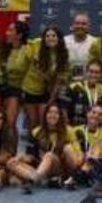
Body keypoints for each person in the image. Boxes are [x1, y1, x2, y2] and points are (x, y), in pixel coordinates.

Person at [20, 25, 69, 158]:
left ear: (59, 38)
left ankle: (44, 153)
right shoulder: (35, 45)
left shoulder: (63, 54)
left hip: (45, 91)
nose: (50, 38)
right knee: (32, 122)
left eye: (53, 36)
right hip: (28, 89)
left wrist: (51, 100)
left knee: (43, 123)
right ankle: (31, 152)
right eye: (47, 36)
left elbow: (58, 81)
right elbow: (23, 62)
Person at [7, 104, 75, 194]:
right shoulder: (36, 132)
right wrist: (19, 158)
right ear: (45, 115)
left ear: (60, 116)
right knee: (11, 163)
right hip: (40, 167)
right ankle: (39, 179)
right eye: (49, 112)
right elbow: (31, 156)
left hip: (59, 167)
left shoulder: (68, 131)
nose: (52, 115)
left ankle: (34, 179)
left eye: (56, 113)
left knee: (49, 156)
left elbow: (74, 156)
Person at [0, 21, 28, 146]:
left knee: (10, 123)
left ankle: (11, 154)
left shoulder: (27, 50)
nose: (7, 33)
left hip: (14, 89)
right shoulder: (1, 47)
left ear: (19, 35)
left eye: (11, 30)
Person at [60, 60, 102, 125]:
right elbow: (63, 109)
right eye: (91, 71)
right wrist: (67, 126)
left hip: (96, 129)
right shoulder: (73, 87)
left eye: (97, 72)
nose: (93, 75)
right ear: (86, 72)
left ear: (101, 74)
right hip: (76, 127)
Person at [64, 12, 95, 80]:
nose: (80, 26)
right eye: (77, 23)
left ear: (88, 26)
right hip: (67, 82)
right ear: (73, 25)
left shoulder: (94, 43)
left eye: (83, 24)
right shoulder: (64, 42)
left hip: (88, 83)